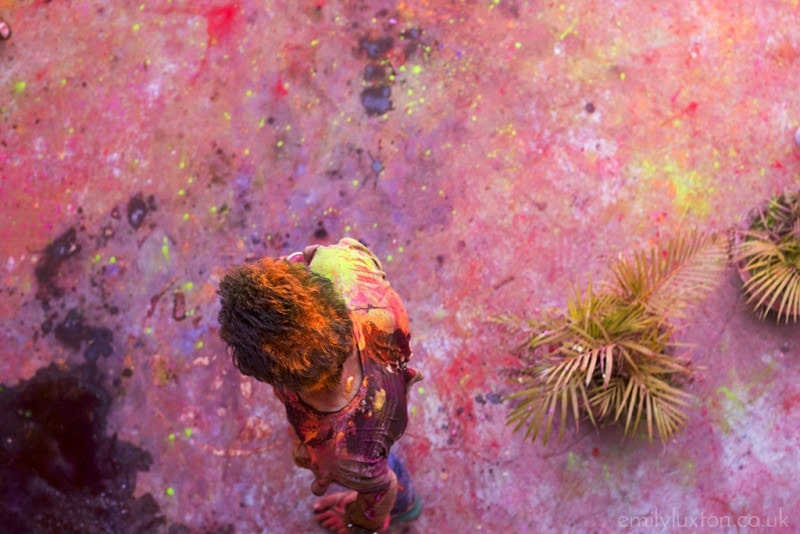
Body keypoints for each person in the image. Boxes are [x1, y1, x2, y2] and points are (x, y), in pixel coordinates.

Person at [217, 237, 423, 533]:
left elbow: (382, 489)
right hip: (388, 385)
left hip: (367, 435)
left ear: (278, 379)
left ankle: (406, 509)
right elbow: (311, 255)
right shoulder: (342, 264)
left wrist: (359, 520)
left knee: (387, 467)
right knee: (381, 454)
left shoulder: (340, 451)